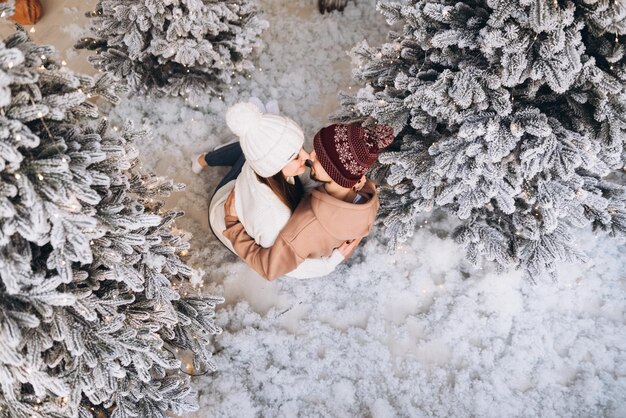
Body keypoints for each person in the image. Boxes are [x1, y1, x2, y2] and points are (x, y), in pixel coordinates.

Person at [193, 99, 346, 278]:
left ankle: (242, 140)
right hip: (222, 217)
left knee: (249, 149)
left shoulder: (263, 165)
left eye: (301, 147)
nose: (307, 156)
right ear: (275, 166)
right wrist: (330, 262)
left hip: (234, 188)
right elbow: (288, 266)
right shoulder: (272, 218)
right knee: (247, 151)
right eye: (295, 156)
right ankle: (204, 159)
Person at [223, 123, 394, 281]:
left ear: (335, 174)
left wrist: (233, 226)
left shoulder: (305, 226)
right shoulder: (368, 194)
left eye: (319, 157)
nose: (310, 156)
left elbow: (269, 268)